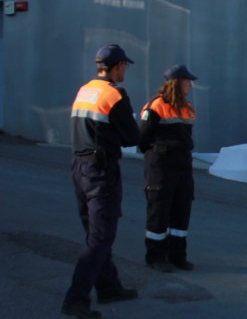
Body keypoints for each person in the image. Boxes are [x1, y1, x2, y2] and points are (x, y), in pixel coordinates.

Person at [62, 44, 140, 318]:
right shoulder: (115, 94)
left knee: (95, 233)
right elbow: (132, 137)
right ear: (117, 66)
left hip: (79, 167)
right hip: (100, 171)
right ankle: (76, 299)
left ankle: (109, 287)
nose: (125, 70)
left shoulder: (84, 90)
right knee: (100, 237)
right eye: (125, 66)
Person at [138, 64, 198, 274]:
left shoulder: (187, 107)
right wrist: (156, 153)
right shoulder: (155, 106)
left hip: (182, 164)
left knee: (182, 209)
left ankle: (177, 256)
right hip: (161, 163)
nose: (190, 85)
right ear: (177, 83)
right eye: (187, 81)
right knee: (159, 210)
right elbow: (143, 137)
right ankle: (155, 256)